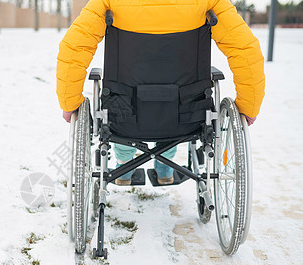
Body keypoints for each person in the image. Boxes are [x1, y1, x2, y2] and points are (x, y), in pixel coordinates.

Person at [57, 0, 265, 185]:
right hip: (186, 116)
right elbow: (245, 50)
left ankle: (124, 166)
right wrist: (249, 106)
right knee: (173, 106)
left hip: (123, 113)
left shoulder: (108, 2)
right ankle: (165, 169)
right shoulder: (209, 2)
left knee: (122, 107)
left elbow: (74, 47)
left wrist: (70, 101)